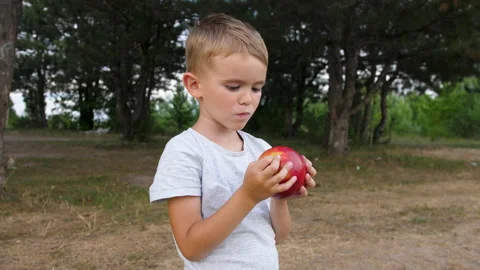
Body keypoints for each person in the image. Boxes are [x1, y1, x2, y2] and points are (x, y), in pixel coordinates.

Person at [149, 13, 317, 269]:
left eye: (256, 88)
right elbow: (191, 247)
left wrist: (280, 195)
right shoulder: (185, 152)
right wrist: (248, 196)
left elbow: (278, 236)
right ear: (195, 85)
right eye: (233, 86)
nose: (247, 99)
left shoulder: (261, 150)